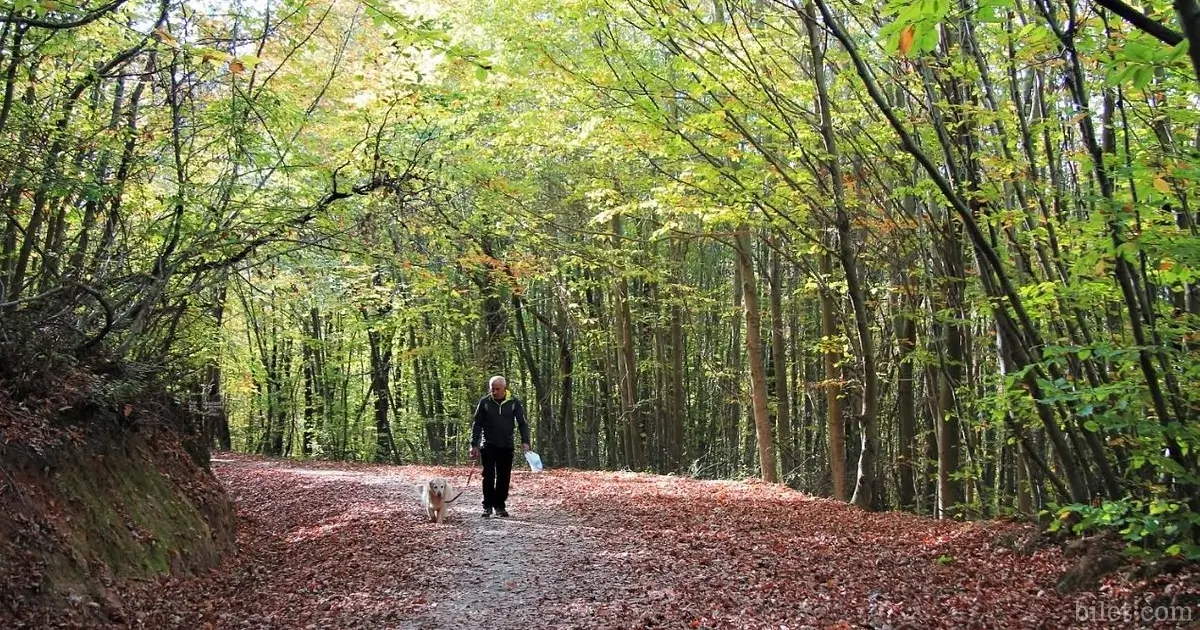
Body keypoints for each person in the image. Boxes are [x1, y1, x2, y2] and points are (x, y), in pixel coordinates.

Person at [469, 375, 531, 518]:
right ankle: (487, 506)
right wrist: (474, 444)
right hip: (488, 445)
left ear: (504, 388)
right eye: (492, 389)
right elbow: (477, 424)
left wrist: (525, 441)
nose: (495, 392)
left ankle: (500, 506)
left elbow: (522, 423)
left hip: (506, 445)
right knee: (488, 476)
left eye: (497, 389)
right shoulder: (484, 402)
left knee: (504, 477)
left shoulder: (514, 402)